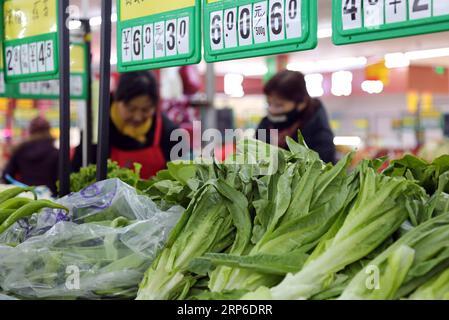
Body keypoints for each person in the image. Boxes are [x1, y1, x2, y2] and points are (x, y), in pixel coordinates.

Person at [72, 71, 180, 179]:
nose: (137, 117)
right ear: (116, 99)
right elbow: (78, 171)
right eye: (131, 109)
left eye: (145, 109)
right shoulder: (96, 129)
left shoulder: (169, 132)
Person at [256, 70, 336, 164]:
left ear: (301, 103)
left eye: (279, 105)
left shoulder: (319, 134)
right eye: (269, 103)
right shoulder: (266, 124)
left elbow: (320, 169)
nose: (272, 110)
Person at [2, 117, 59, 194]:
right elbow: (64, 179)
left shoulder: (20, 151)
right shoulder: (56, 153)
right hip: (52, 198)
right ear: (48, 130)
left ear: (30, 131)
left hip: (27, 197)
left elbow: (7, 176)